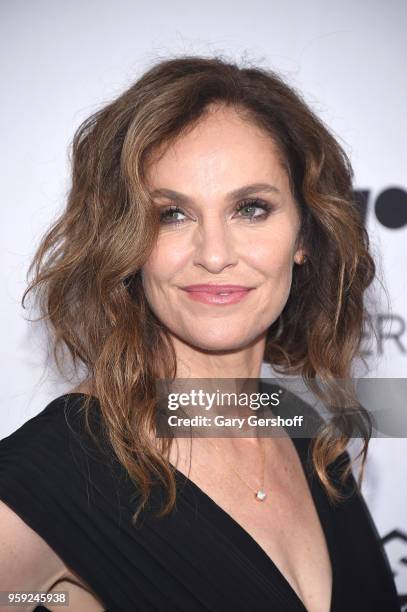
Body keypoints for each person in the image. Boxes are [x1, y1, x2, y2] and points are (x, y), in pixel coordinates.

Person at [0, 55, 400, 612]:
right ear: (126, 243)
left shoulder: (308, 429)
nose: (214, 254)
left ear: (303, 235)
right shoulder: (62, 468)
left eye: (251, 209)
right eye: (172, 215)